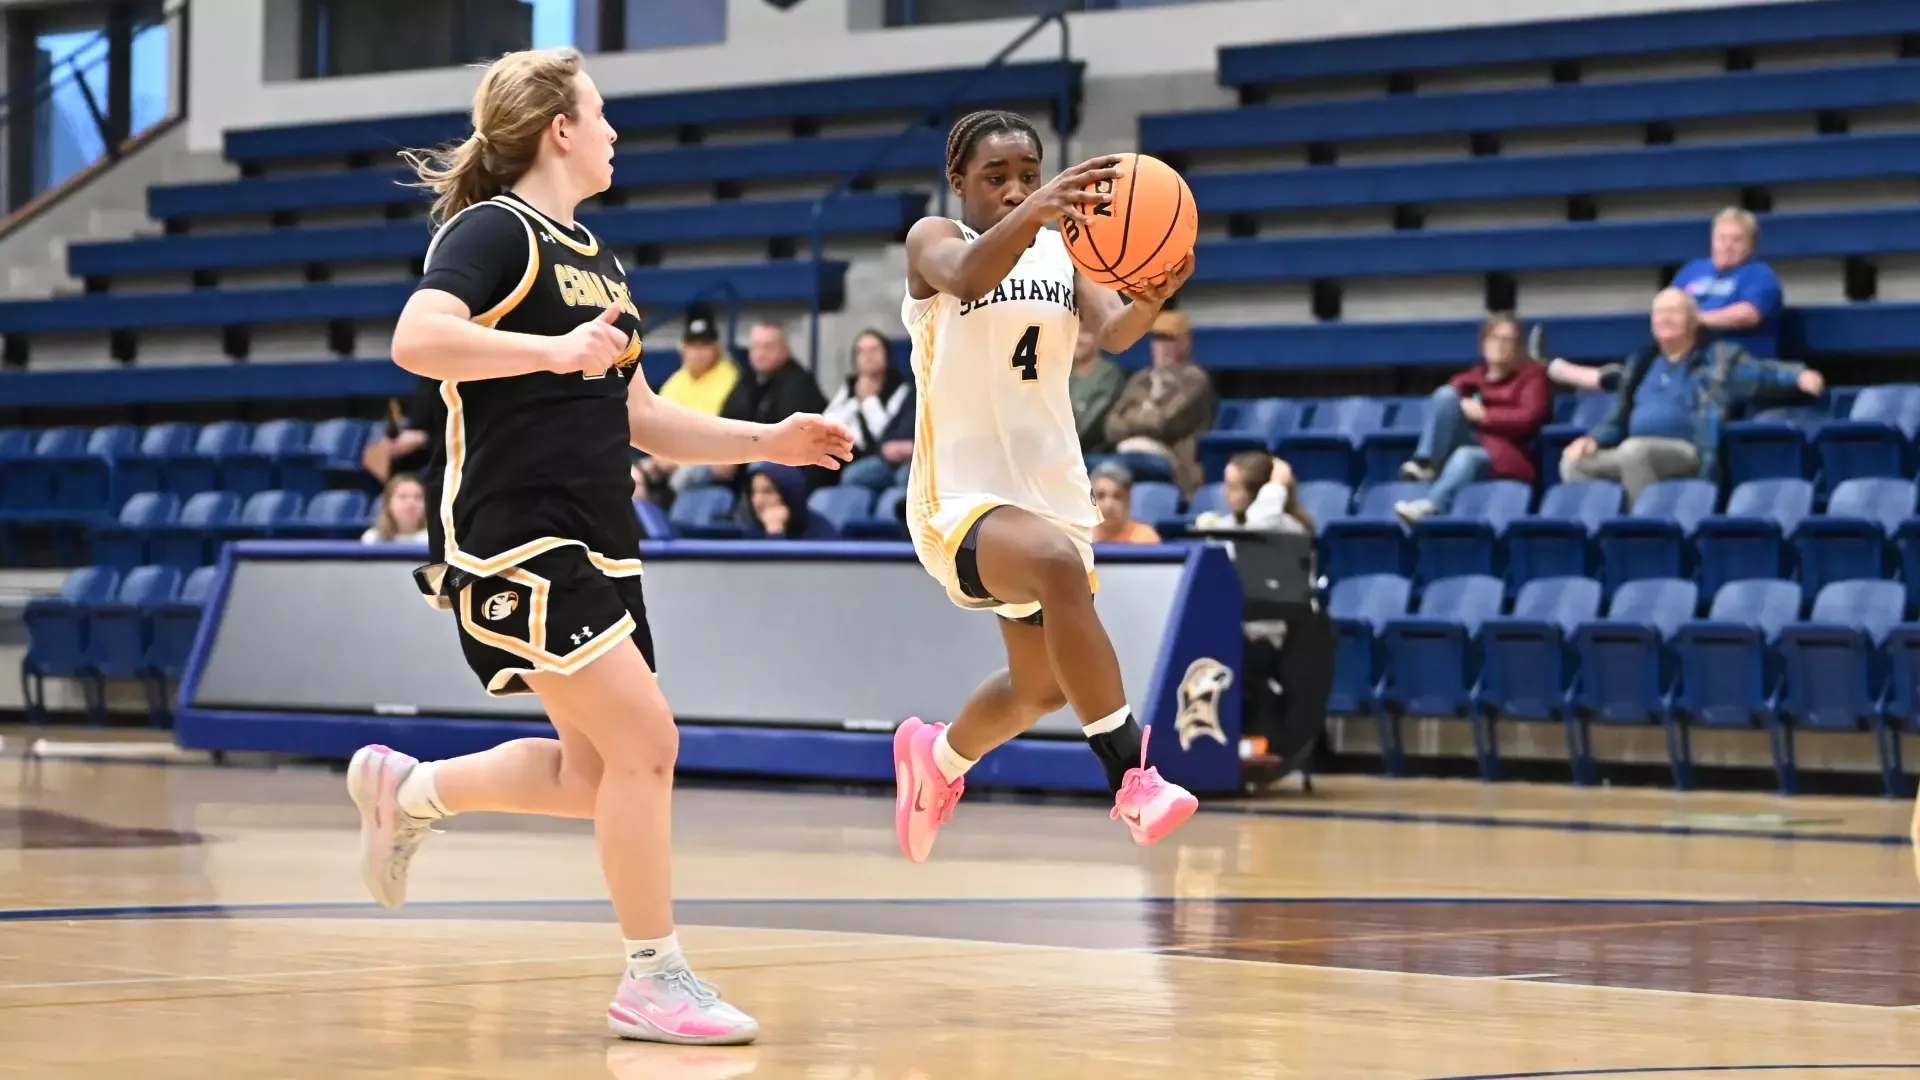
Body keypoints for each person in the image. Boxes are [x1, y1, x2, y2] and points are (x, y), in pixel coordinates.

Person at [340, 48, 852, 1047]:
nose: (615, 131)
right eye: (602, 114)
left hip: (600, 542)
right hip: (516, 535)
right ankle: (652, 978)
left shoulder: (599, 258)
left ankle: (409, 791)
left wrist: (770, 441)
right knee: (649, 746)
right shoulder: (493, 231)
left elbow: (644, 417)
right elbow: (416, 335)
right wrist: (547, 350)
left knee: (595, 775)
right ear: (558, 130)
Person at [893, 108, 1199, 864]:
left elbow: (1115, 331)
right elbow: (967, 278)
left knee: (1040, 691)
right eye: (996, 177)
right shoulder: (936, 241)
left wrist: (1154, 296)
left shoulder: (1068, 253)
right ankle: (1132, 777)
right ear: (958, 181)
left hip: (1048, 493)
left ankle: (935, 761)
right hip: (957, 497)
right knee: (1055, 567)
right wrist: (1034, 212)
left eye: (1029, 176)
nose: (1015, 189)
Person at [1562, 288, 1822, 505]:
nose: (1665, 319)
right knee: (1574, 463)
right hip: (1636, 452)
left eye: (1673, 312)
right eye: (1659, 313)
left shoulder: (1717, 360)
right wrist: (1592, 439)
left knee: (1634, 451)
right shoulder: (1641, 364)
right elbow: (1616, 417)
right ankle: (1605, 540)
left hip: (1690, 453)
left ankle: (1644, 532)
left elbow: (1762, 373)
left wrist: (1799, 376)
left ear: (1694, 320)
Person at [1393, 313, 1551, 525]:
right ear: (1484, 344)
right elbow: (1451, 393)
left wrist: (1485, 416)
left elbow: (1529, 418)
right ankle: (1427, 462)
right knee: (1445, 395)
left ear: (1518, 347)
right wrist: (1463, 400)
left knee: (1466, 456)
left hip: (1508, 454)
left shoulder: (1532, 376)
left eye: (1508, 340)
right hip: (1476, 441)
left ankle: (1432, 505)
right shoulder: (1478, 374)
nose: (1500, 345)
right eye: (1494, 338)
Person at [674, 322, 827, 493]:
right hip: (746, 466)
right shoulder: (750, 379)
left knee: (685, 479)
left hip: (792, 475)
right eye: (755, 347)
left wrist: (737, 453)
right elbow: (727, 420)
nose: (760, 354)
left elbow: (782, 440)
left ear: (784, 350)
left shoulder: (798, 385)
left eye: (768, 348)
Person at [1103, 309, 1215, 495]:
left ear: (1184, 342)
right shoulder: (1141, 378)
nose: (1162, 346)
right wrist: (1146, 415)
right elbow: (1111, 425)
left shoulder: (1194, 380)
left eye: (1169, 339)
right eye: (1157, 339)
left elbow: (1162, 425)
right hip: (1127, 450)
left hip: (1175, 460)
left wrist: (1132, 417)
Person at [638, 309, 739, 493]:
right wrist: (660, 456)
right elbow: (657, 427)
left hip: (708, 463)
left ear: (716, 348)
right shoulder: (676, 381)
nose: (698, 352)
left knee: (680, 480)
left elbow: (714, 435)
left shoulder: (730, 379)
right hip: (672, 459)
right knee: (633, 477)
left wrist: (676, 461)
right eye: (693, 345)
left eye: (704, 345)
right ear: (683, 347)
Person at [1672, 207, 1783, 360]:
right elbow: (1670, 303)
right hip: (1690, 361)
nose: (1727, 246)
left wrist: (1697, 319)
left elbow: (1749, 314)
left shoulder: (1760, 274)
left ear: (1751, 246)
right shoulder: (1692, 269)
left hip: (1738, 364)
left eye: (1736, 240)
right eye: (1721, 238)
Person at [822, 328, 914, 493]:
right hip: (849, 450)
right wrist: (855, 401)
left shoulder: (900, 387)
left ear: (886, 354)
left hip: (878, 456)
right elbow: (827, 423)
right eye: (861, 351)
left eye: (874, 350)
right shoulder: (851, 385)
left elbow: (885, 434)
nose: (867, 356)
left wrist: (868, 401)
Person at [1195, 452, 1314, 535]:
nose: (1225, 493)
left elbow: (1258, 528)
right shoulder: (1235, 523)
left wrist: (1276, 484)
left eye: (1234, 488)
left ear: (1257, 493)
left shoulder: (1284, 526)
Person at [742, 462, 840, 539]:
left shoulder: (821, 533)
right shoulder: (751, 530)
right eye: (754, 492)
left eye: (768, 491)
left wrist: (775, 533)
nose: (758, 500)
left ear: (789, 493)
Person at [1069, 323, 1124, 455]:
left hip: (1093, 453)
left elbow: (1090, 427)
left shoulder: (1108, 374)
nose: (1077, 338)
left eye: (1084, 332)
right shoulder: (1063, 373)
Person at [1088, 462, 1162, 545]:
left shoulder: (1146, 538)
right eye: (1101, 496)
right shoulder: (1080, 538)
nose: (1109, 505)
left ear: (1128, 501)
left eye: (1117, 497)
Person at [361, 473, 429, 543]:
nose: (411, 503)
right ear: (388, 504)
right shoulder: (372, 538)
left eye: (418, 497)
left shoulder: (435, 539)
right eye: (403, 496)